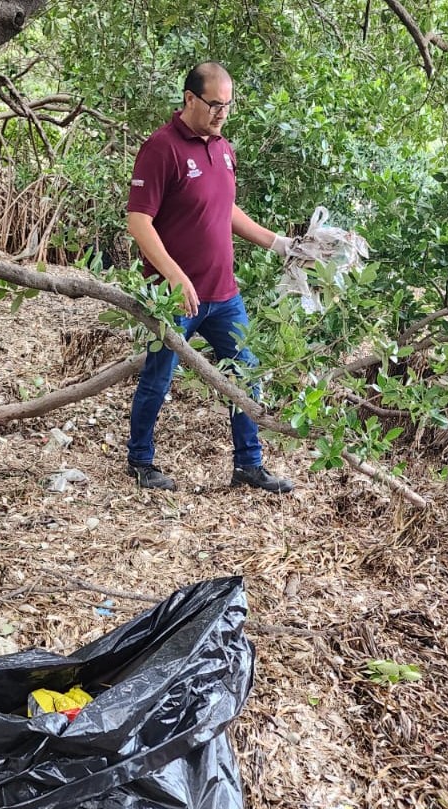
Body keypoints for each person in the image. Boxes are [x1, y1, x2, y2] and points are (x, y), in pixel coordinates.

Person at [126, 61, 294, 494]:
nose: (222, 113)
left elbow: (226, 210)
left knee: (246, 374)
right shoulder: (161, 148)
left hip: (223, 293)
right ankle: (141, 461)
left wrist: (279, 245)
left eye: (228, 105)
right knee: (158, 378)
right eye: (215, 105)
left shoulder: (223, 148)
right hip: (172, 296)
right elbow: (138, 222)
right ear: (189, 99)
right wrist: (175, 277)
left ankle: (249, 466)